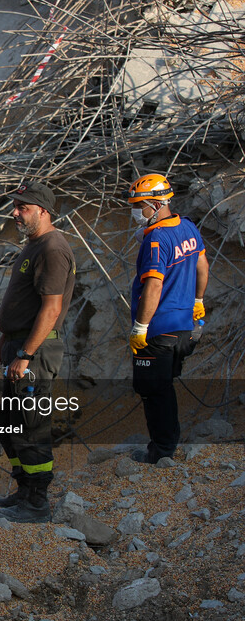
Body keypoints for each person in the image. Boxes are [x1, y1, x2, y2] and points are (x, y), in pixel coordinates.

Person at [0, 181, 75, 523]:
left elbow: (50, 309)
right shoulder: (34, 246)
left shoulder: (52, 247)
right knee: (8, 424)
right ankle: (24, 491)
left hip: (35, 351)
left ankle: (37, 503)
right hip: (19, 344)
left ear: (43, 210)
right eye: (15, 206)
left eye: (22, 207)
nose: (15, 212)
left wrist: (24, 353)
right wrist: (5, 342)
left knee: (30, 425)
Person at [126, 174, 208, 464]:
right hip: (185, 327)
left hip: (159, 329)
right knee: (164, 386)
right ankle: (166, 445)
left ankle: (161, 452)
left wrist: (140, 327)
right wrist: (197, 302)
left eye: (139, 206)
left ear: (155, 204)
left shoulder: (156, 239)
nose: (135, 212)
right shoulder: (187, 227)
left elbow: (154, 285)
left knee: (151, 389)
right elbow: (201, 265)